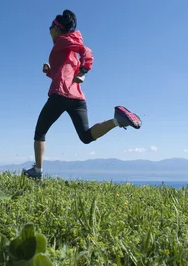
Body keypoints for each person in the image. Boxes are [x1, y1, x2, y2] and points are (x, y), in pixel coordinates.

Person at [23, 10, 142, 181]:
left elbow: (87, 51)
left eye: (51, 27)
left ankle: (37, 172)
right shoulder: (67, 48)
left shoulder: (63, 41)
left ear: (57, 29)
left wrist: (85, 69)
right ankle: (118, 120)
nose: (49, 30)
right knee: (86, 136)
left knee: (40, 132)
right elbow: (65, 71)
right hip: (77, 98)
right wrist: (50, 72)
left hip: (60, 94)